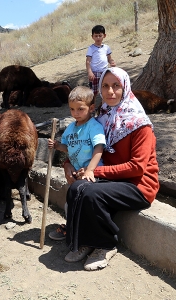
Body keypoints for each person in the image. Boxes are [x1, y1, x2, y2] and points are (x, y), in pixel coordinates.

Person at [54, 67, 159, 271]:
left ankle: (105, 245)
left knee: (90, 193)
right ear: (99, 89)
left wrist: (94, 171)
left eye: (116, 86)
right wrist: (68, 165)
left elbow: (137, 167)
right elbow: (82, 147)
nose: (110, 91)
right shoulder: (101, 117)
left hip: (137, 185)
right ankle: (83, 240)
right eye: (105, 86)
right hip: (113, 179)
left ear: (125, 87)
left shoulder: (139, 124)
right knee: (77, 188)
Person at [47, 85, 106, 241]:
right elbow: (68, 147)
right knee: (71, 203)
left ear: (91, 108)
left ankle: (82, 231)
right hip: (75, 173)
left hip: (90, 173)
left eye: (80, 109)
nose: (75, 113)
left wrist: (90, 170)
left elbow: (99, 148)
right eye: (72, 109)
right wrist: (58, 146)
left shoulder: (94, 127)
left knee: (83, 203)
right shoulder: (71, 128)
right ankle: (72, 226)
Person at [86, 25, 116, 97]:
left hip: (105, 72)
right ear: (92, 36)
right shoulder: (91, 48)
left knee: (105, 90)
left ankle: (104, 106)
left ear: (104, 35)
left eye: (100, 35)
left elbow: (109, 58)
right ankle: (92, 107)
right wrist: (89, 72)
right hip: (95, 73)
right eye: (96, 36)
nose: (98, 38)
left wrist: (112, 62)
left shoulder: (106, 47)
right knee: (93, 92)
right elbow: (88, 61)